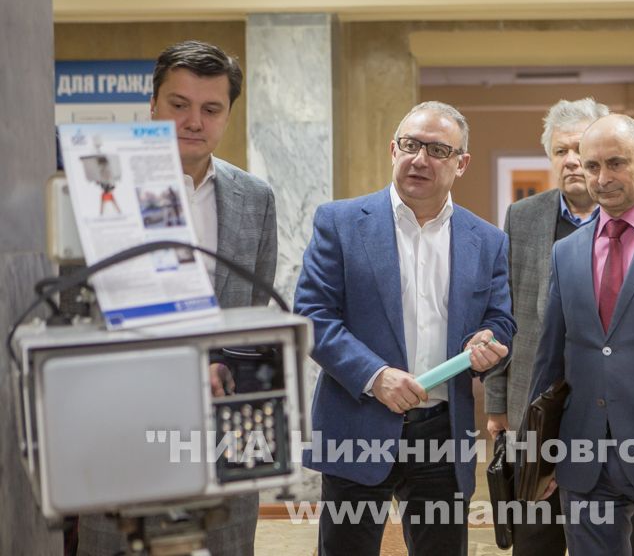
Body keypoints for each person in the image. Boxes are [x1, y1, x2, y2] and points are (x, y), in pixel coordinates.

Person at [77, 40, 277, 556]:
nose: (194, 121)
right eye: (179, 104)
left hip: (221, 437)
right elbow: (79, 313)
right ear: (152, 105)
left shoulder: (255, 198)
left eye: (211, 109)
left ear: (227, 115)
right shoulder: (99, 185)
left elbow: (253, 314)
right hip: (120, 429)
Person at [294, 101, 516, 556]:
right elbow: (313, 315)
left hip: (442, 432)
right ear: (392, 150)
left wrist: (488, 341)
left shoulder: (487, 240)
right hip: (357, 422)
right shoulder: (339, 223)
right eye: (411, 145)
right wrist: (376, 377)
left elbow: (500, 319)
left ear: (461, 164)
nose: (420, 159)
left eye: (438, 150)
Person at [527, 114, 634, 555]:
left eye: (616, 163)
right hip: (584, 456)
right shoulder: (566, 253)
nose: (602, 178)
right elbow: (550, 359)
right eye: (593, 166)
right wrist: (538, 455)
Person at [484, 97, 610, 556]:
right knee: (535, 538)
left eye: (581, 148)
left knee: (609, 535)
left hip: (609, 413)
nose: (571, 160)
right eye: (561, 151)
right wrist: (497, 403)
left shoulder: (630, 218)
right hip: (535, 407)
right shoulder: (523, 217)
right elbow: (504, 312)